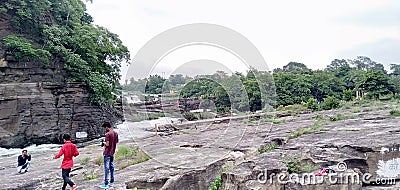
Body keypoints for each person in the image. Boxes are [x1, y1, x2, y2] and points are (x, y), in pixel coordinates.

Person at [99, 122, 119, 189]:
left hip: (107, 153)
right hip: (112, 152)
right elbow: (116, 142)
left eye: (105, 128)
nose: (105, 129)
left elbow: (107, 144)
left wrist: (103, 143)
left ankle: (106, 183)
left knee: (106, 168)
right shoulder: (115, 133)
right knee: (112, 167)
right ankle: (112, 181)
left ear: (107, 127)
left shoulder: (107, 134)